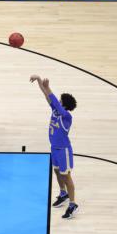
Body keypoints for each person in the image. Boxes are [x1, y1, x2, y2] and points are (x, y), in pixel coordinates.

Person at [30, 75, 78, 219]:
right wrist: (40, 82)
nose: (59, 101)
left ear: (64, 104)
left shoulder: (67, 116)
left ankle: (72, 204)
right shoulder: (56, 110)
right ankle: (63, 194)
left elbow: (55, 101)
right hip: (54, 148)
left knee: (66, 176)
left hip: (64, 150)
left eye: (61, 100)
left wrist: (49, 87)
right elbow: (48, 97)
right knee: (57, 172)